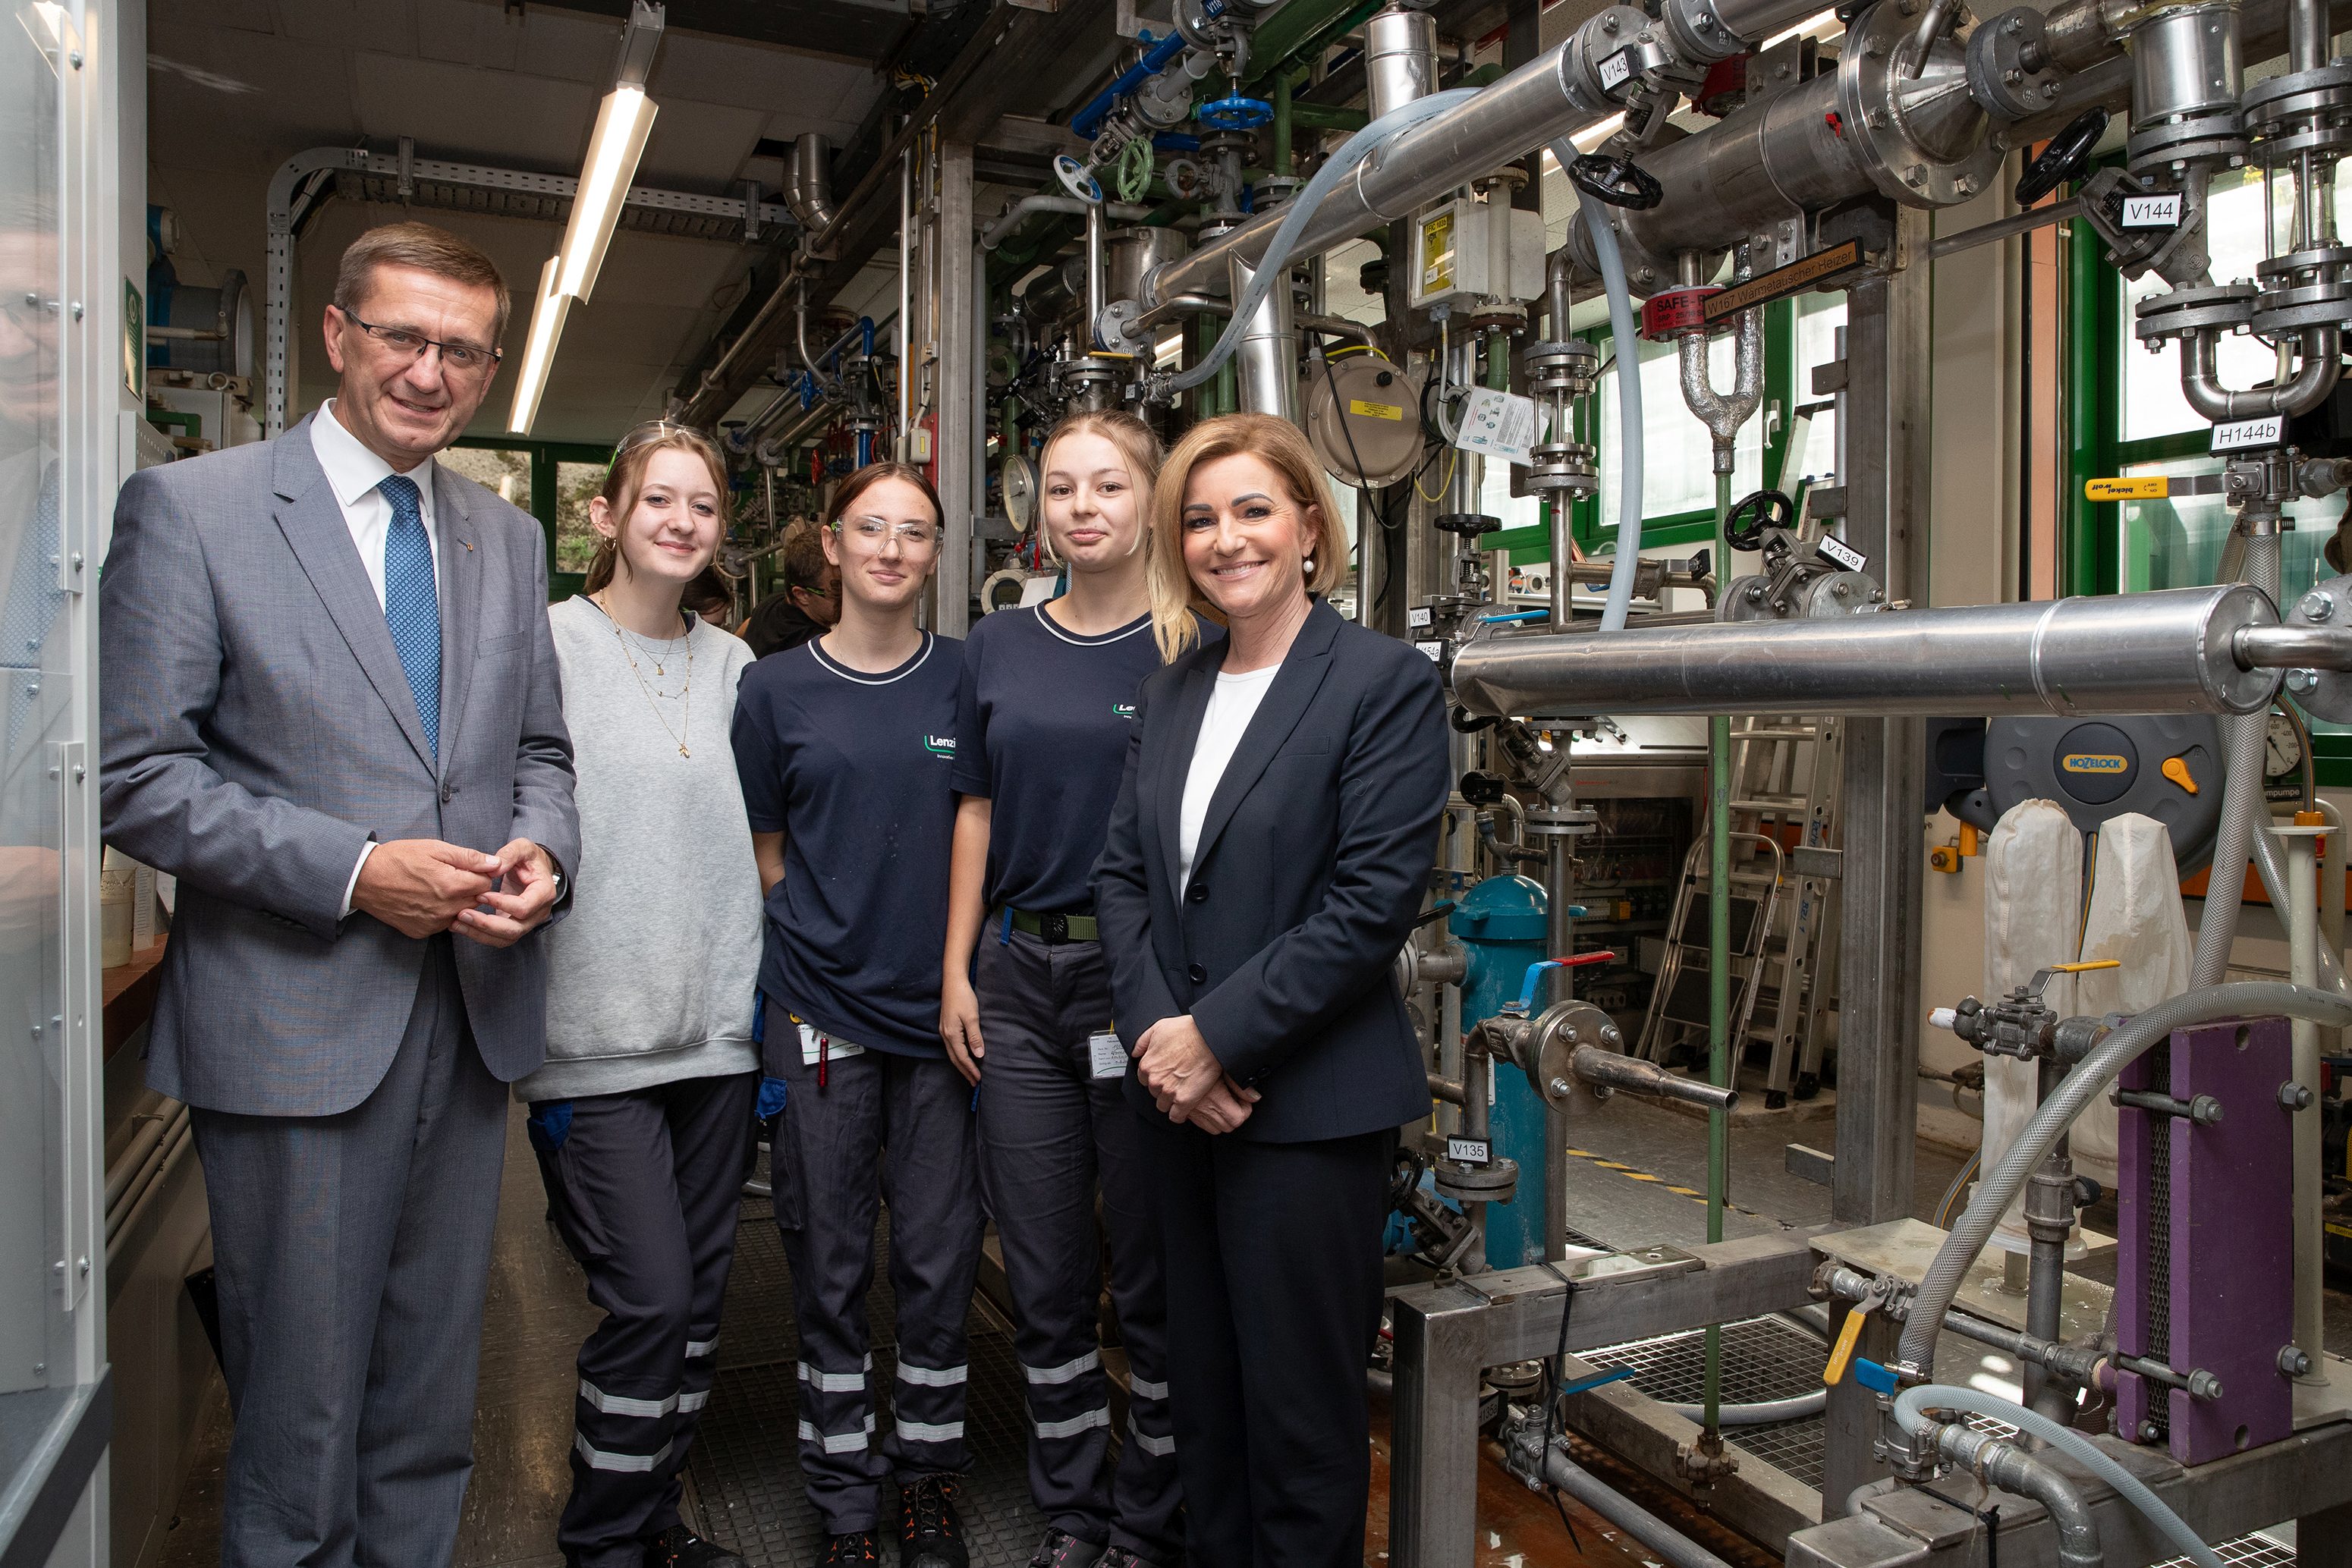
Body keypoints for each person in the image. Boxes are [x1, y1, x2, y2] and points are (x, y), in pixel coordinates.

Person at [98, 222, 580, 1565]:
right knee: (301, 1424)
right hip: (294, 1028)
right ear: (336, 334)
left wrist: (545, 855)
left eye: (463, 351)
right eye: (403, 337)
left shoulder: (505, 537)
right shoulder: (196, 511)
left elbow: (540, 754)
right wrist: (359, 871)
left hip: (469, 1021)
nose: (430, 373)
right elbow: (138, 776)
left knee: (429, 1407)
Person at [1093, 413, 1449, 1567]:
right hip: (1177, 1106)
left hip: (1306, 1113)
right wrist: (1162, 1040)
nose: (1226, 538)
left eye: (1252, 510)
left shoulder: (1381, 683)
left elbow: (1369, 904)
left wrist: (1215, 1039)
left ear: (1307, 526)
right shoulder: (1172, 690)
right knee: (1203, 1409)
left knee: (1298, 1429)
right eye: (1199, 519)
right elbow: (1123, 879)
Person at [940, 412, 1190, 1568]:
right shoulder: (996, 643)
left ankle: (1149, 1515)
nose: (1081, 507)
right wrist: (957, 965)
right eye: (1059, 487)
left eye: (1107, 485)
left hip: (1138, 987)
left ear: (1150, 498)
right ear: (1035, 507)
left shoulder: (1192, 642)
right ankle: (1075, 1513)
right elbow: (974, 808)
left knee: (1151, 1273)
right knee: (1043, 1274)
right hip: (1016, 979)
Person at [518, 420, 763, 1568]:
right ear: (605, 515)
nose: (680, 521)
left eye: (702, 505)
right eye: (658, 499)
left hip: (717, 1040)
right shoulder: (545, 645)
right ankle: (605, 1541)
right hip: (592, 1039)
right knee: (652, 1300)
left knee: (698, 1308)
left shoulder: (737, 667)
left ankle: (654, 1520)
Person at [731, 463, 978, 1568]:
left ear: (936, 554)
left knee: (937, 1257)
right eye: (869, 527)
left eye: (913, 531)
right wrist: (820, 938)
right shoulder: (774, 689)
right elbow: (766, 845)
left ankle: (927, 1480)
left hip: (942, 1019)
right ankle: (842, 1498)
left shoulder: (966, 678)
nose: (890, 547)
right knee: (828, 1260)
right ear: (832, 545)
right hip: (821, 1011)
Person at [741, 516, 839, 656]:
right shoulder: (815, 647)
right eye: (836, 592)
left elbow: (744, 627)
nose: (846, 600)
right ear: (802, 595)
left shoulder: (770, 605)